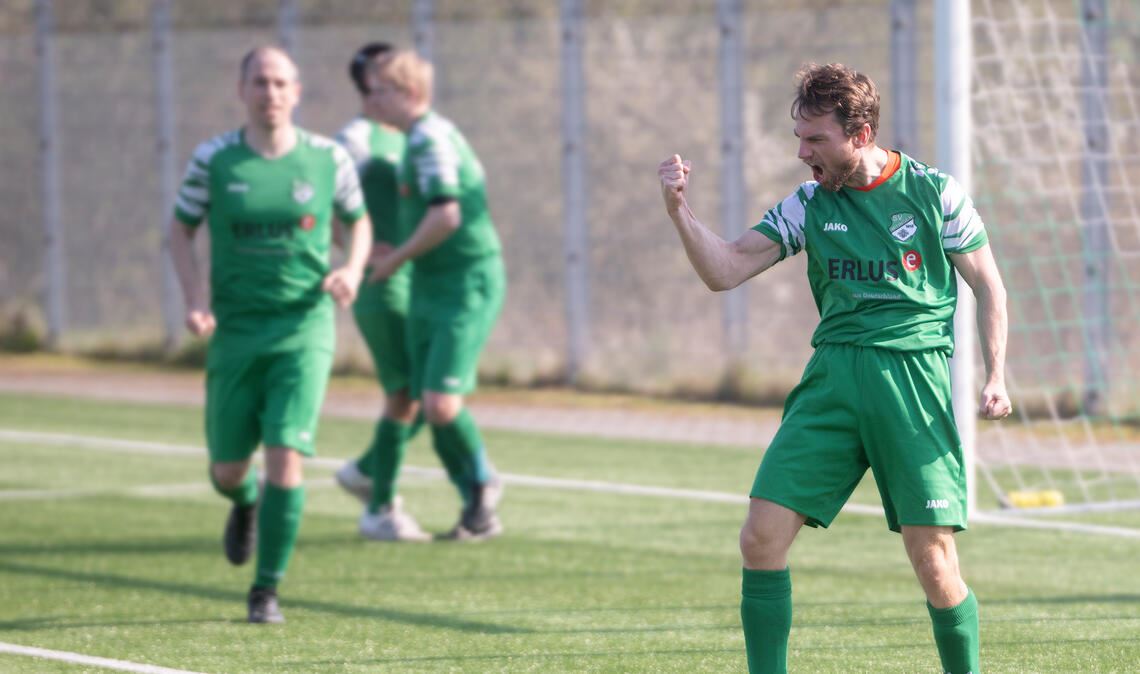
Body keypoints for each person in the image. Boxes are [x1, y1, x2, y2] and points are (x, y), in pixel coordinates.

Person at [658, 63, 1011, 674]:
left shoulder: (934, 193)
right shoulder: (809, 203)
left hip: (912, 383)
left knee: (933, 563)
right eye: (799, 138)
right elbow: (725, 269)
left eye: (815, 139)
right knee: (760, 538)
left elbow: (989, 285)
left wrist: (996, 374)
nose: (802, 153)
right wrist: (678, 212)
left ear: (861, 132)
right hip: (832, 381)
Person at [168, 46, 372, 623]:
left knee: (286, 455)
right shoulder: (214, 159)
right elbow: (179, 232)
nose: (271, 93)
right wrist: (195, 299)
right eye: (260, 82)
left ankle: (266, 590)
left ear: (298, 90)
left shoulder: (327, 158)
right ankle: (244, 500)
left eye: (281, 83)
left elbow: (358, 223)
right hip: (234, 332)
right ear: (242, 90)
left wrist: (351, 270)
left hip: (304, 326)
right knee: (227, 470)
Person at [364, 48, 507, 541]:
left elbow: (446, 215)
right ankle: (476, 506)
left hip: (465, 281)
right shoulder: (413, 140)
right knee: (429, 403)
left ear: (410, 93)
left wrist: (394, 259)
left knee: (441, 403)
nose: (371, 99)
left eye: (380, 90)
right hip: (432, 284)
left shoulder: (429, 139)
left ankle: (484, 483)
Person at [332, 42, 431, 542]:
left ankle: (366, 471)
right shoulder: (355, 138)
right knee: (408, 392)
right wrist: (358, 252)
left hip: (415, 280)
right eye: (382, 74)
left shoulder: (412, 135)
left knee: (429, 392)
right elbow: (330, 204)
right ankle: (379, 507)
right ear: (366, 81)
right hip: (382, 283)